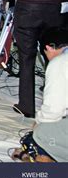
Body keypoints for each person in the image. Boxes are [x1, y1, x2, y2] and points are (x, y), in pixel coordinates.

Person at [11, 27, 68, 162]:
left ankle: (44, 156)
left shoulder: (60, 62)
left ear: (49, 48)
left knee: (42, 134)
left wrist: (38, 123)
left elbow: (53, 110)